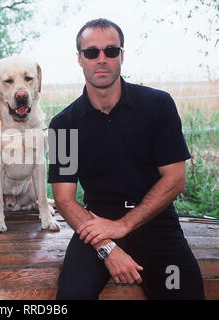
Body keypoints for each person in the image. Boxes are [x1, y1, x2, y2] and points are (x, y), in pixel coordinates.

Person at [48, 18, 205, 300]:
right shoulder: (63, 125)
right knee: (73, 294)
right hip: (95, 226)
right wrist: (107, 246)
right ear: (80, 59)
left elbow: (175, 179)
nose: (101, 59)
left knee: (182, 291)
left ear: (122, 55)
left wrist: (123, 225)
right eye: (91, 52)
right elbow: (65, 199)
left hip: (156, 222)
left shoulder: (157, 105)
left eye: (110, 51)